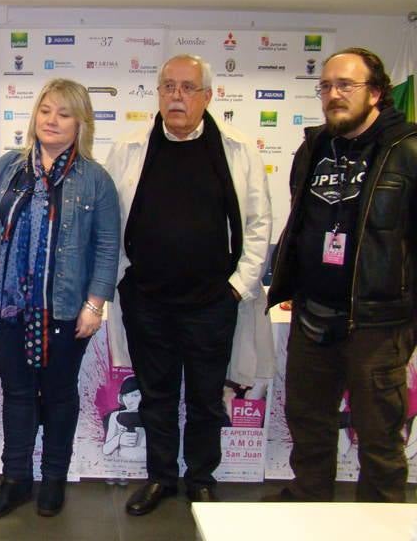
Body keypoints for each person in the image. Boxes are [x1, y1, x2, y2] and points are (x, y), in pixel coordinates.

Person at [105, 54, 272, 514]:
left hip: (211, 304)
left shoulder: (235, 149)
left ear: (207, 97)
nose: (176, 96)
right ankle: (161, 478)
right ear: (157, 94)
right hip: (147, 302)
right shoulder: (130, 148)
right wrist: (120, 284)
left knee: (204, 398)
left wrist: (238, 287)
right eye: (168, 87)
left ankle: (201, 478)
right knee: (156, 397)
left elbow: (259, 224)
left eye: (187, 88)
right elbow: (110, 222)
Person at [266, 47, 417, 503]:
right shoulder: (313, 146)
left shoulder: (407, 149)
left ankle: (382, 519)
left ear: (376, 92)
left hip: (378, 322)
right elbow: (304, 221)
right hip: (313, 314)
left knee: (378, 434)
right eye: (326, 86)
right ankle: (310, 503)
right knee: (308, 421)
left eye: (345, 86)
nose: (333, 95)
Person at [0, 78, 120, 519]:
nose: (52, 120)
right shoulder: (7, 168)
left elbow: (106, 246)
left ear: (80, 124)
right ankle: (15, 479)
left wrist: (95, 304)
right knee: (17, 394)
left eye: (63, 113)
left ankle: (54, 478)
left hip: (65, 311)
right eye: (46, 111)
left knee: (59, 396)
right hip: (8, 308)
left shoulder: (95, 179)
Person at [102, 376, 146, 461]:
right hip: (122, 464)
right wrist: (118, 439)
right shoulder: (115, 416)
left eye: (135, 395)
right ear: (121, 397)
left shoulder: (151, 415)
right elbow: (106, 450)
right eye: (126, 395)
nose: (129, 400)